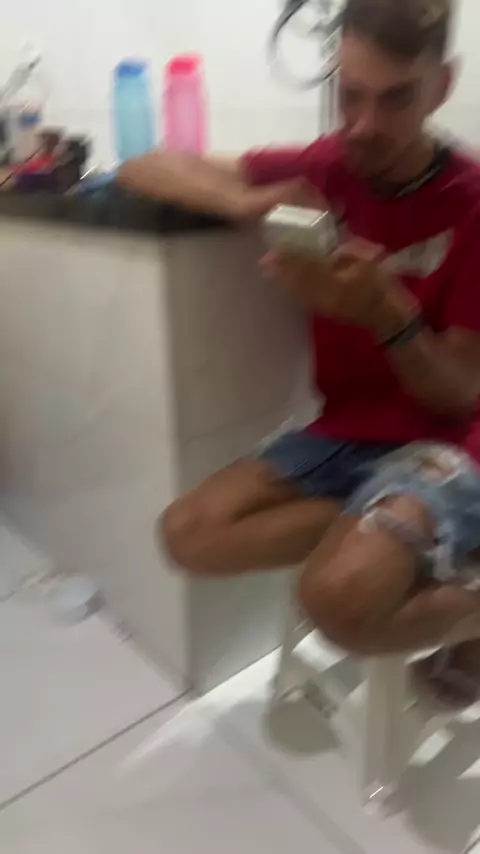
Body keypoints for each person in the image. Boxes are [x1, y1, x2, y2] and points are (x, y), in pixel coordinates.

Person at [118, 0, 480, 708]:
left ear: (441, 86)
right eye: (350, 95)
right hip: (348, 434)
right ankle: (386, 530)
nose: (363, 125)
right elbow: (143, 166)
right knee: (188, 534)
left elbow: (461, 392)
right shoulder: (327, 165)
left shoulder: (473, 203)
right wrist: (244, 202)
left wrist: (388, 317)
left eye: (395, 99)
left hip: (454, 440)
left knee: (338, 602)